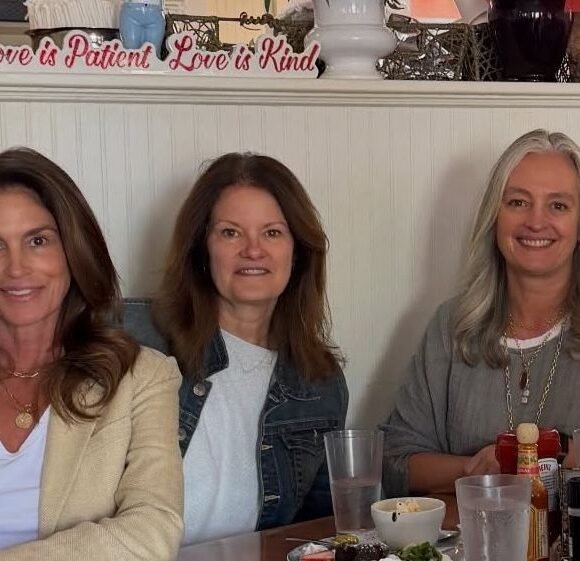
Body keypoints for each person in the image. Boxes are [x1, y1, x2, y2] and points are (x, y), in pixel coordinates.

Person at [381, 129, 580, 497]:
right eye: (517, 202)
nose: (535, 221)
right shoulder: (453, 324)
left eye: (558, 205)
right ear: (494, 218)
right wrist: (471, 469)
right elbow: (394, 464)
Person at [123, 153, 348, 545]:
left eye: (273, 232)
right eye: (231, 232)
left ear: (298, 251)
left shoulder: (321, 382)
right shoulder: (134, 334)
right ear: (201, 249)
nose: (253, 250)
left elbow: (316, 536)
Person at [0, 148, 183, 559]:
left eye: (38, 241)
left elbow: (153, 529)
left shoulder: (143, 377)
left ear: (74, 250)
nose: (15, 268)